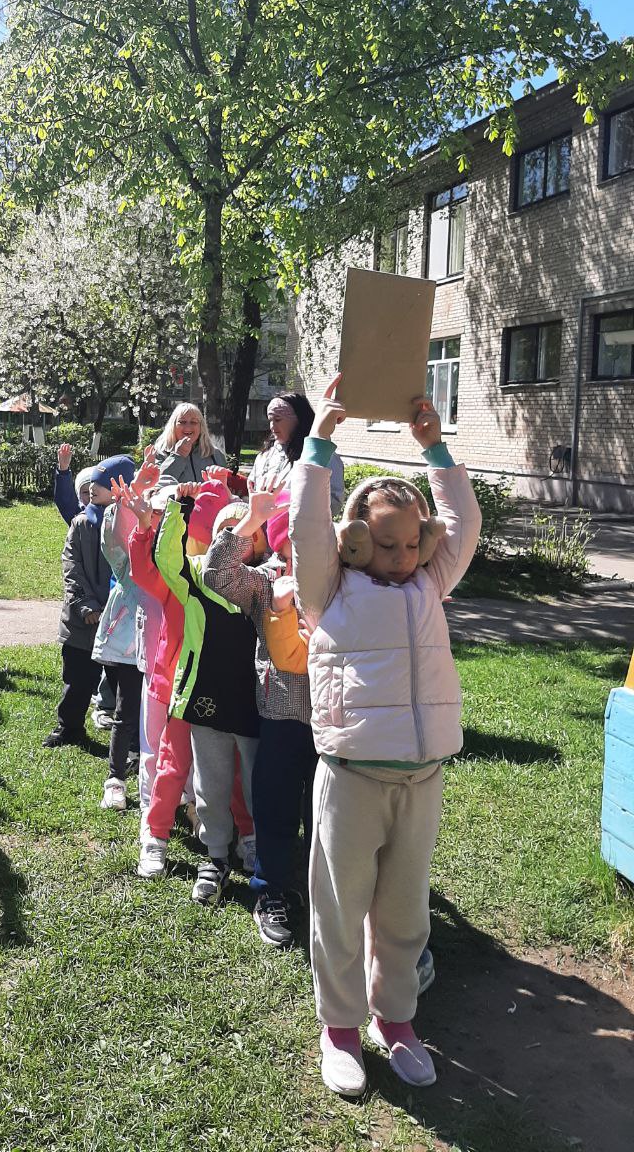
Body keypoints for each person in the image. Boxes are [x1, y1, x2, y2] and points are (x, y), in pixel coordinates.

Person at [291, 374, 481, 1097]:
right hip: (352, 778)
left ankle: (394, 1020)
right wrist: (320, 442)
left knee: (404, 911)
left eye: (412, 543)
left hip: (422, 777)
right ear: (355, 541)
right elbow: (305, 528)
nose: (402, 556)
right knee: (341, 908)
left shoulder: (431, 583)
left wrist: (435, 450)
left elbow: (464, 522)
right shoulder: (329, 588)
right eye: (386, 543)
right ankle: (339, 1029)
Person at [202, 483, 314, 948]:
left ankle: (319, 891)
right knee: (275, 808)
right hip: (281, 716)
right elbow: (216, 574)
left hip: (335, 718)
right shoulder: (266, 581)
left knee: (326, 814)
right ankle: (270, 892)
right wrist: (250, 522)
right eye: (294, 541)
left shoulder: (345, 579)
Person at [151, 487, 263, 904]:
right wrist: (178, 510)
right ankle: (215, 856)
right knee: (210, 783)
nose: (237, 537)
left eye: (246, 530)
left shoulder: (266, 579)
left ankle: (256, 845)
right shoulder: (198, 574)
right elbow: (166, 559)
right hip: (207, 698)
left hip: (255, 702)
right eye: (227, 530)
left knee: (255, 782)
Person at [43, 457, 119, 748]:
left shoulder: (128, 524)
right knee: (77, 679)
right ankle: (70, 728)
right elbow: (71, 566)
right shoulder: (81, 523)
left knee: (123, 683)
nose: (93, 492)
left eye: (99, 486)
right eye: (88, 488)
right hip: (82, 619)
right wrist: (86, 605)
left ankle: (130, 740)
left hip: (118, 617)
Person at [91, 459, 146, 810]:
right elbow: (113, 537)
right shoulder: (127, 560)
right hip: (126, 646)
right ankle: (115, 779)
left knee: (153, 716)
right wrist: (133, 495)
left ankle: (144, 765)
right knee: (126, 713)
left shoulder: (170, 554)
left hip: (163, 646)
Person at [250, 393, 345, 516]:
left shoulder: (324, 457)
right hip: (261, 525)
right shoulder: (264, 456)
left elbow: (334, 502)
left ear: (298, 420)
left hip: (301, 526)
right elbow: (252, 490)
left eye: (278, 419)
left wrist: (296, 509)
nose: (272, 427)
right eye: (270, 420)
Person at [152, 403, 226, 484]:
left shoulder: (214, 454)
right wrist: (178, 456)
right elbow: (158, 484)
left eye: (193, 422)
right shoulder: (160, 452)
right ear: (173, 426)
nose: (188, 427)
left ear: (201, 427)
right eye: (182, 422)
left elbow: (224, 487)